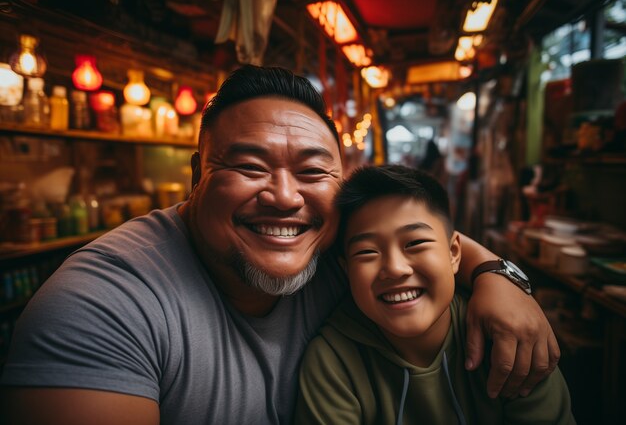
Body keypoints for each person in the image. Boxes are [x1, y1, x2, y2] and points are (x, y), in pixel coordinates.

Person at [1, 66, 559, 424]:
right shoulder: (102, 306)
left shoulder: (343, 255)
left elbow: (423, 247)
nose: (285, 197)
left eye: (314, 172)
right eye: (248, 166)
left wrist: (500, 278)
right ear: (198, 175)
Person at [296, 165, 575, 424]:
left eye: (415, 243)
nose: (394, 269)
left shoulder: (506, 332)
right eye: (367, 252)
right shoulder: (332, 361)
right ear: (346, 270)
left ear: (454, 253)